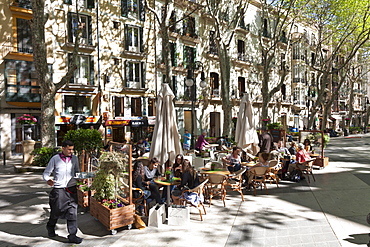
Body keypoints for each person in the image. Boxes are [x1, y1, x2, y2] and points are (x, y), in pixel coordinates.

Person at [42, 140, 83, 244]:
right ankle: (50, 226)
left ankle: (72, 235)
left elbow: (77, 171)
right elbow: (46, 173)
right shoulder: (55, 159)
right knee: (56, 211)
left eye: (72, 149)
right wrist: (48, 180)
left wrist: (80, 178)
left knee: (72, 212)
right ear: (63, 148)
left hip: (72, 189)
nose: (71, 151)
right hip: (59, 190)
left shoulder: (74, 158)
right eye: (69, 149)